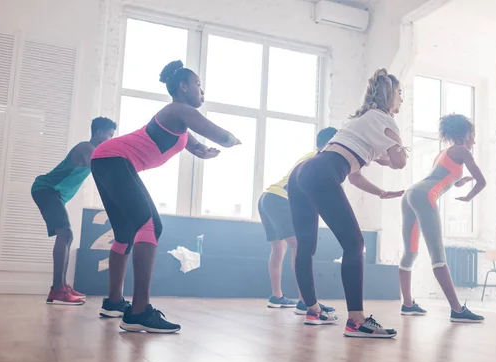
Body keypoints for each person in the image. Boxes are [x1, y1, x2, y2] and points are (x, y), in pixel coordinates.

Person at [91, 60, 241, 333]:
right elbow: (217, 133)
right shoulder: (178, 109)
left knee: (125, 233)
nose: (202, 92)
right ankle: (138, 312)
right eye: (198, 85)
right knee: (149, 225)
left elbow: (195, 145)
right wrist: (231, 140)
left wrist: (204, 152)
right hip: (115, 159)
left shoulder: (180, 120)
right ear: (182, 87)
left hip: (106, 159)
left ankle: (114, 303)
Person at [288, 68, 407, 338]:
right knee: (355, 244)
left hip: (303, 172)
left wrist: (380, 192)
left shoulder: (361, 120)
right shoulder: (385, 119)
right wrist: (397, 144)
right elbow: (399, 162)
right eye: (400, 94)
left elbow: (353, 176)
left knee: (306, 246)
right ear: (390, 96)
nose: (402, 99)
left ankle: (313, 310)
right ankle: (356, 321)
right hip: (322, 173)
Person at [399, 113, 486, 323]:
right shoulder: (463, 151)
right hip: (424, 196)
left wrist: (461, 180)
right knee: (438, 255)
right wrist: (468, 196)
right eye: (473, 134)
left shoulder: (443, 153)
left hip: (410, 194)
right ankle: (457, 310)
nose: (474, 139)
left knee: (410, 253)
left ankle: (407, 304)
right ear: (464, 134)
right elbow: (482, 181)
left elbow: (442, 178)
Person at [32, 117, 116, 305]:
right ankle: (58, 289)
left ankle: (61, 286)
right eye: (109, 135)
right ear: (99, 133)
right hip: (47, 189)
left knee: (67, 235)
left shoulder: (92, 150)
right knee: (66, 233)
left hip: (53, 193)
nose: (111, 139)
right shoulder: (87, 148)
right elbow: (98, 171)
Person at [259, 127, 338, 316]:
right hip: (280, 199)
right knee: (300, 246)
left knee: (279, 248)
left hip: (267, 197)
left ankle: (277, 297)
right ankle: (305, 301)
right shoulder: (320, 159)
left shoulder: (310, 155)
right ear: (333, 143)